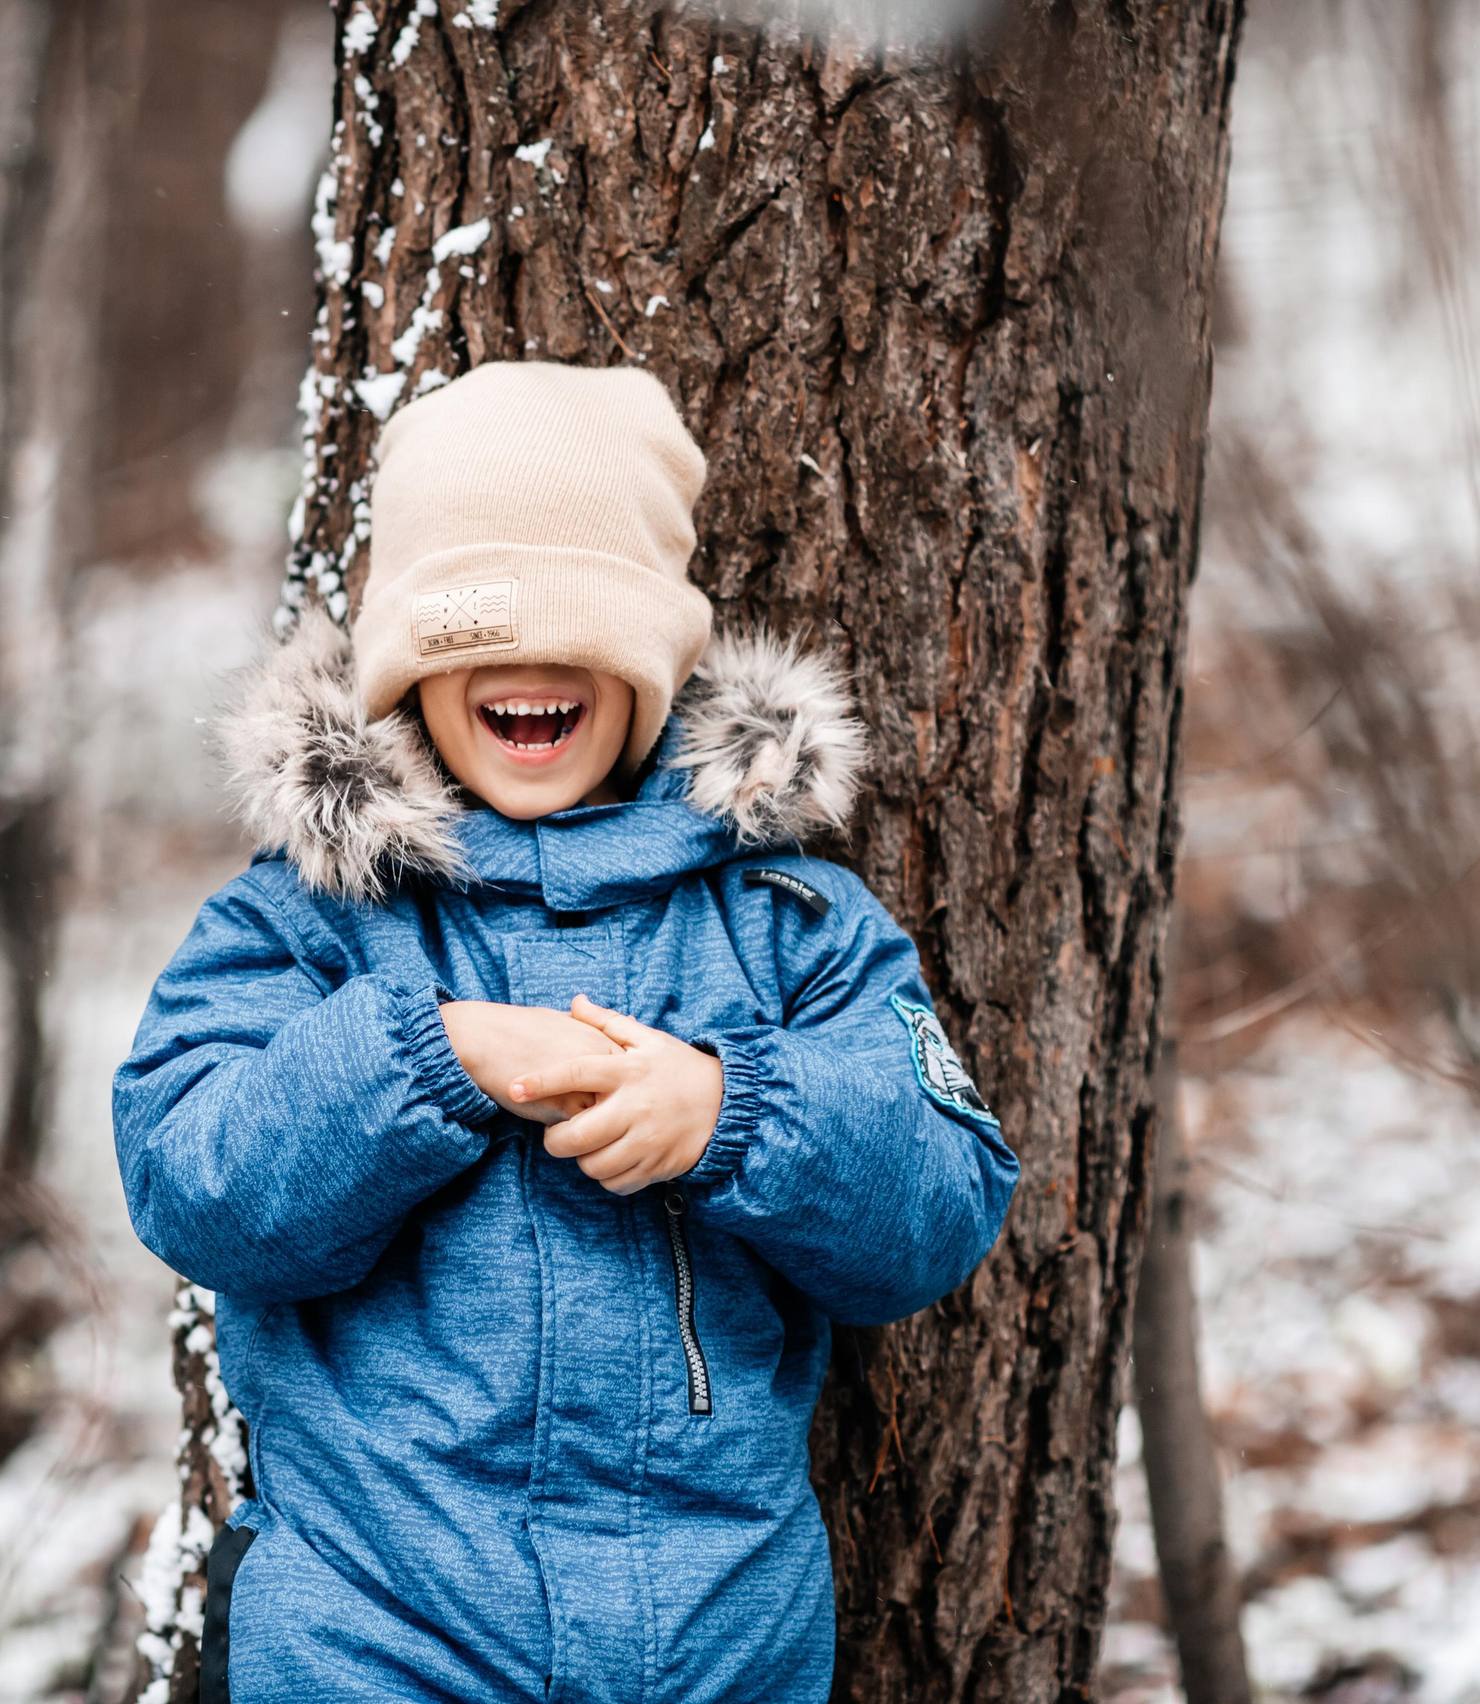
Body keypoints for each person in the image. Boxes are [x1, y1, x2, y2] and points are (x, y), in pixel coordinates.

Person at [113, 361, 1019, 1704]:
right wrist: (431, 1057)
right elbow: (192, 1175)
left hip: (717, 1640)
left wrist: (735, 1115)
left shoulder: (782, 918)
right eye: (476, 625)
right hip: (381, 1629)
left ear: (651, 658)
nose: (529, 664)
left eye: (580, 627)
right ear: (404, 657)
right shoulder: (314, 917)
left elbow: (939, 1199)